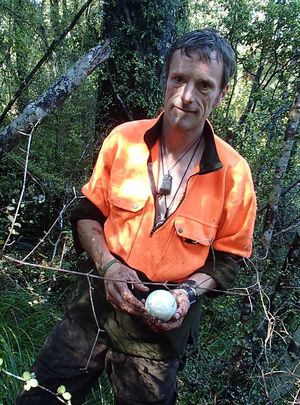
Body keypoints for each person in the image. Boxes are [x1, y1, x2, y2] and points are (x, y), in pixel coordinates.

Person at [16, 28, 256, 405]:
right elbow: (87, 212)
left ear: (221, 94)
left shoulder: (235, 174)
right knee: (39, 399)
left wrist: (187, 293)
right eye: (178, 79)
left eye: (204, 86)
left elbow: (228, 260)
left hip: (158, 335)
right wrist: (109, 265)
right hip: (92, 306)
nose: (186, 96)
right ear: (165, 79)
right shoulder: (123, 139)